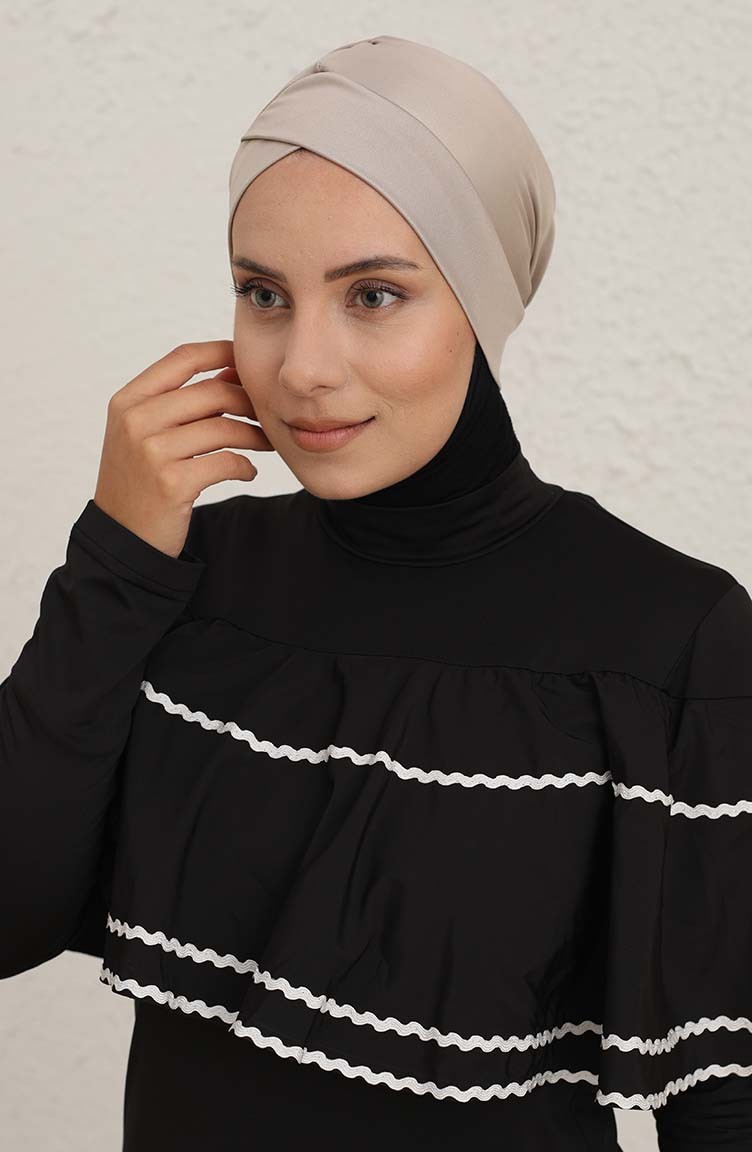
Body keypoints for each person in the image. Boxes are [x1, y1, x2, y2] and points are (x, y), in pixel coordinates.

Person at [2, 33, 752, 1152]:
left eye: (374, 295)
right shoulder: (186, 578)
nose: (303, 366)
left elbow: (724, 1099)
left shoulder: (669, 637)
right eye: (264, 293)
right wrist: (113, 563)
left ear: (481, 306)